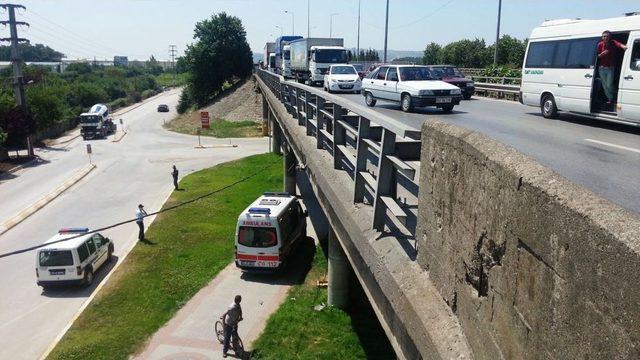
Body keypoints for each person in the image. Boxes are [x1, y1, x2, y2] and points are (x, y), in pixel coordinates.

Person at [597, 30, 628, 105]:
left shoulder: (613, 42)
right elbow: (598, 56)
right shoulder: (600, 44)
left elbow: (619, 44)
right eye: (604, 36)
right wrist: (602, 54)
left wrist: (624, 46)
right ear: (602, 37)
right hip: (601, 68)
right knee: (604, 86)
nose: (605, 38)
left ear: (610, 37)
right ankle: (610, 98)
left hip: (610, 68)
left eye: (607, 36)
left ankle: (615, 94)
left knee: (609, 84)